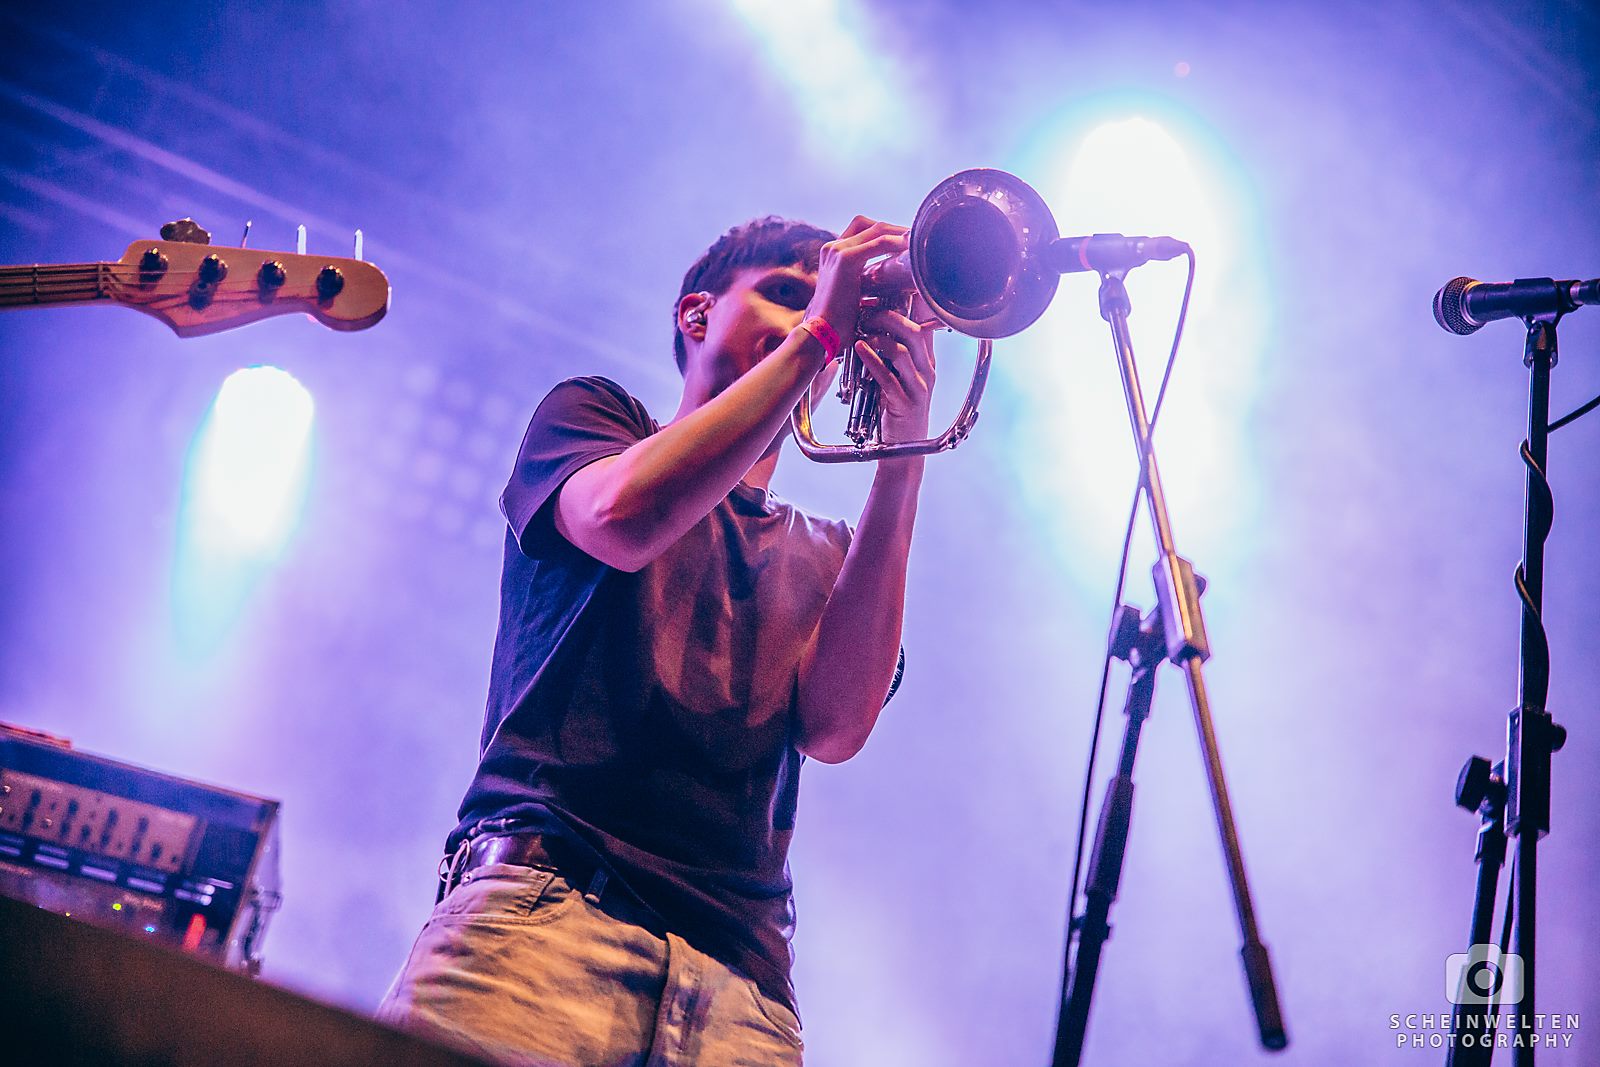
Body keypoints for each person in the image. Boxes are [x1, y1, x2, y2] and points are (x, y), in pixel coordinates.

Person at [377, 214, 935, 1066]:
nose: (809, 314)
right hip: (540, 920)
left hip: (745, 992)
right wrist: (822, 333)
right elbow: (622, 519)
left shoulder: (830, 550)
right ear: (696, 314)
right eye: (785, 293)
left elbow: (835, 727)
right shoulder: (592, 419)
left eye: (817, 301)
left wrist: (905, 455)